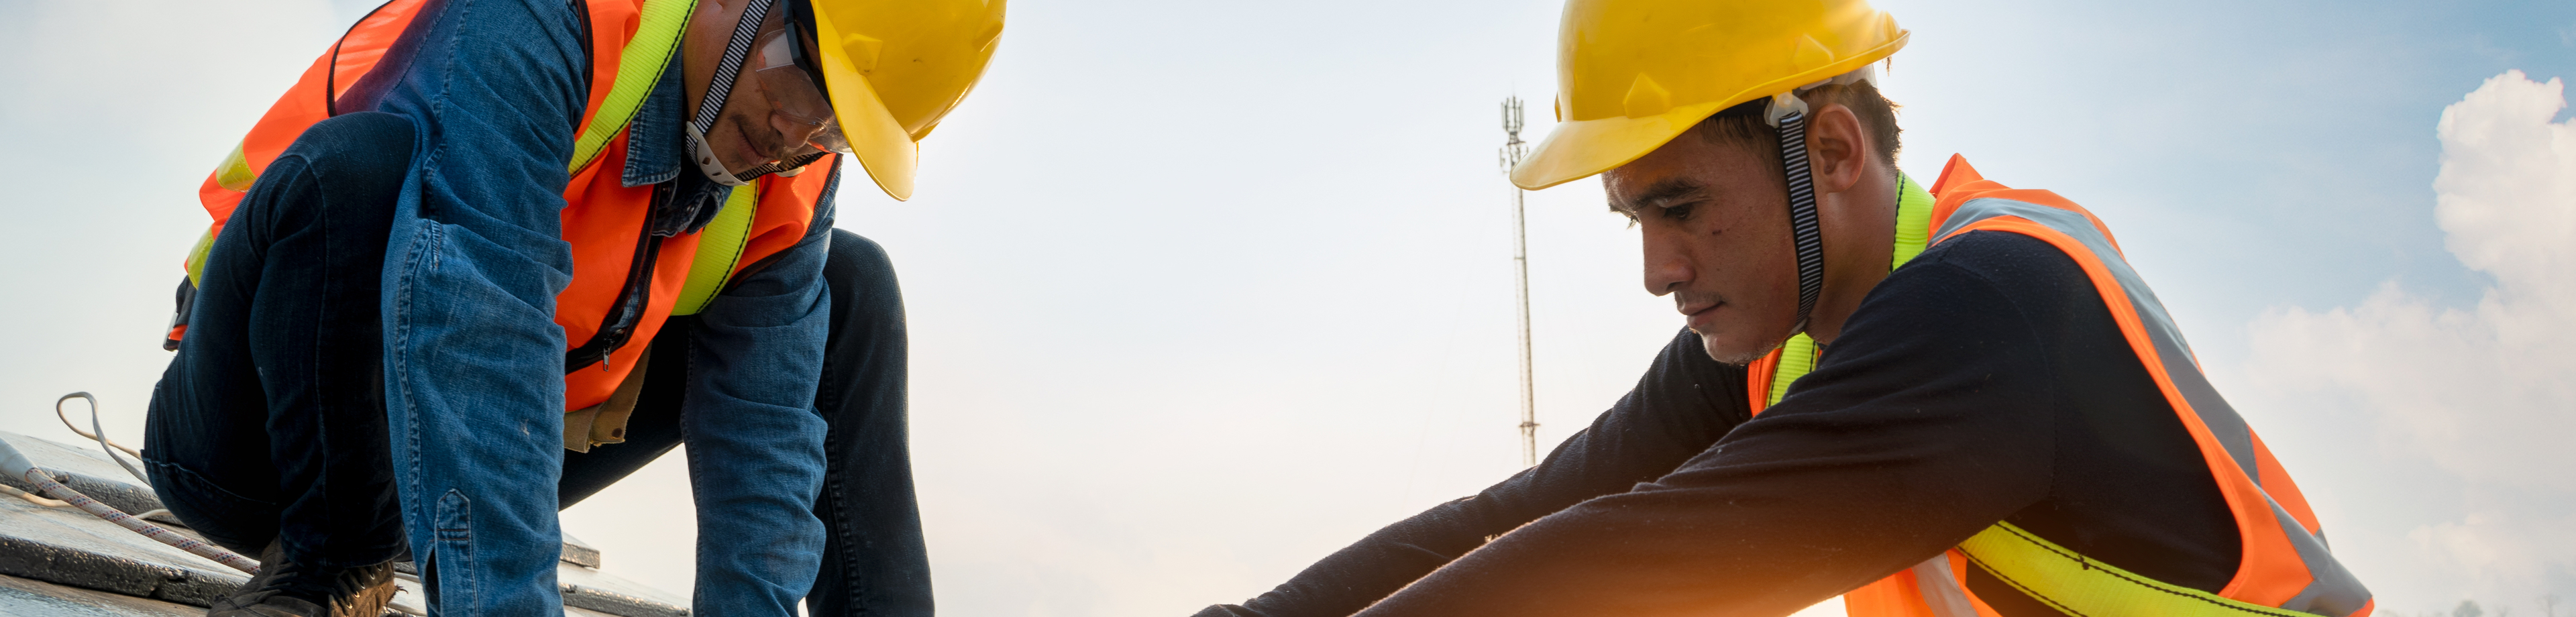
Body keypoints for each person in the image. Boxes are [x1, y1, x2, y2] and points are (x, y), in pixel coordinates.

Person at [1191, 1, 2373, 616]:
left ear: (1835, 150)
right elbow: (1523, 518)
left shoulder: (1990, 310)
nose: (1657, 270)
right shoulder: (1779, 342)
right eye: (1633, 222)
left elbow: (1615, 571)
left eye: (1684, 208)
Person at [140, 0, 1004, 615]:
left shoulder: (798, 173)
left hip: (448, 475)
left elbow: (768, 441)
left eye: (836, 126)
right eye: (804, 79)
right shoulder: (555, 17)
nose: (795, 134)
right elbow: (482, 331)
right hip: (253, 449)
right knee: (359, 170)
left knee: (850, 290)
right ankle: (324, 573)